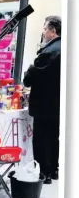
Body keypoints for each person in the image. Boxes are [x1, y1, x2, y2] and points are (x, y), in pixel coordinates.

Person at [23, 16, 61, 184]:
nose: (43, 32)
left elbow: (31, 77)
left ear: (53, 31)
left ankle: (43, 173)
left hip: (44, 103)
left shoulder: (49, 52)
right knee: (53, 137)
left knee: (41, 139)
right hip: (57, 103)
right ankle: (53, 170)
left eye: (45, 29)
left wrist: (28, 72)